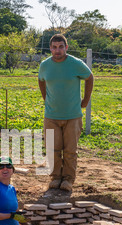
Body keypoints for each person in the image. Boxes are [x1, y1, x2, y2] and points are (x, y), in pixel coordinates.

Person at [38, 34, 94, 192]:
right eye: (54, 47)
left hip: (72, 116)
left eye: (61, 47)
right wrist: (46, 98)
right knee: (52, 148)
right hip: (51, 116)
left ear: (66, 47)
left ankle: (68, 179)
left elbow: (89, 78)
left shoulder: (75, 64)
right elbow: (41, 80)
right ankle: (55, 177)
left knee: (70, 150)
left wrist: (86, 100)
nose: (57, 50)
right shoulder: (45, 65)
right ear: (50, 48)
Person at [0, 157, 27, 225]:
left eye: (8, 166)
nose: (5, 168)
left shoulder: (12, 188)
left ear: (12, 170)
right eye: (1, 167)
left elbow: (15, 211)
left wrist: (24, 221)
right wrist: (10, 215)